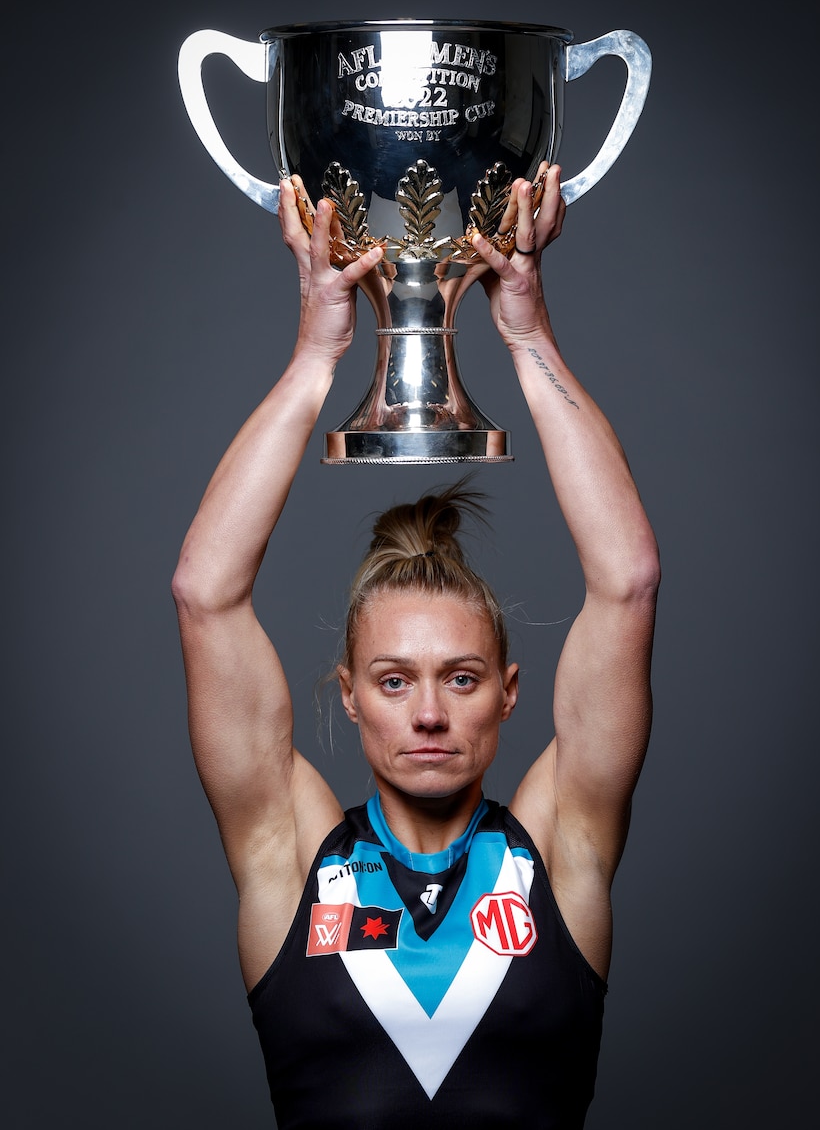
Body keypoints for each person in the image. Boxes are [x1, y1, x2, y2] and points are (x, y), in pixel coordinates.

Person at [172, 166, 660, 1129]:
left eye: (462, 677)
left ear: (511, 692)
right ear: (349, 694)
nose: (429, 711)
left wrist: (525, 334)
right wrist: (320, 353)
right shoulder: (294, 853)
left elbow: (628, 580)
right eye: (394, 680)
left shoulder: (561, 851)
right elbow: (205, 594)